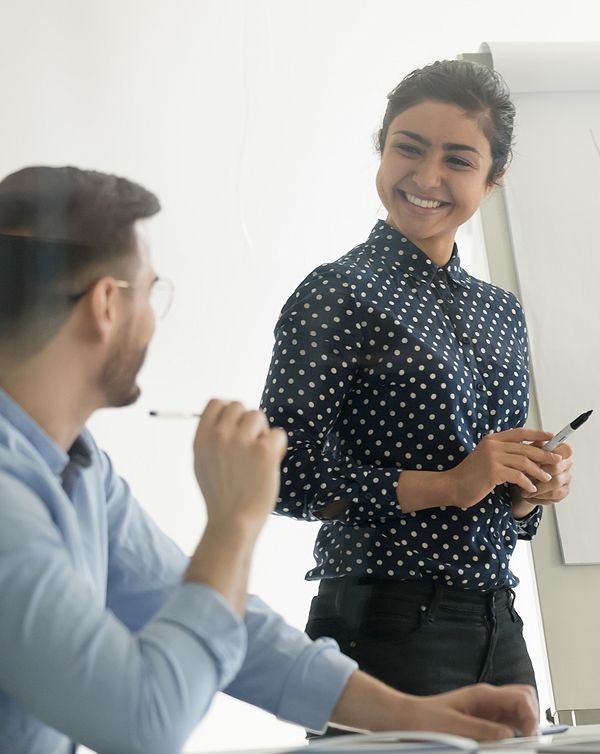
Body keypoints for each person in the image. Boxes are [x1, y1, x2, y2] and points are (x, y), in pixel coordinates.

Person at [0, 166, 540, 754]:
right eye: (152, 289)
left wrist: (415, 714)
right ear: (107, 303)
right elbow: (143, 722)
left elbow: (225, 623)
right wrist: (233, 523)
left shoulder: (80, 469)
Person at [260, 60, 574, 705]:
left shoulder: (500, 311)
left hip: (497, 620)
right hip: (382, 620)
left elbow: (496, 504)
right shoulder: (337, 292)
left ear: (494, 180)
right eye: (408, 148)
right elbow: (278, 475)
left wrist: (524, 491)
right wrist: (451, 484)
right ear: (382, 147)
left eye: (458, 160)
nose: (426, 177)